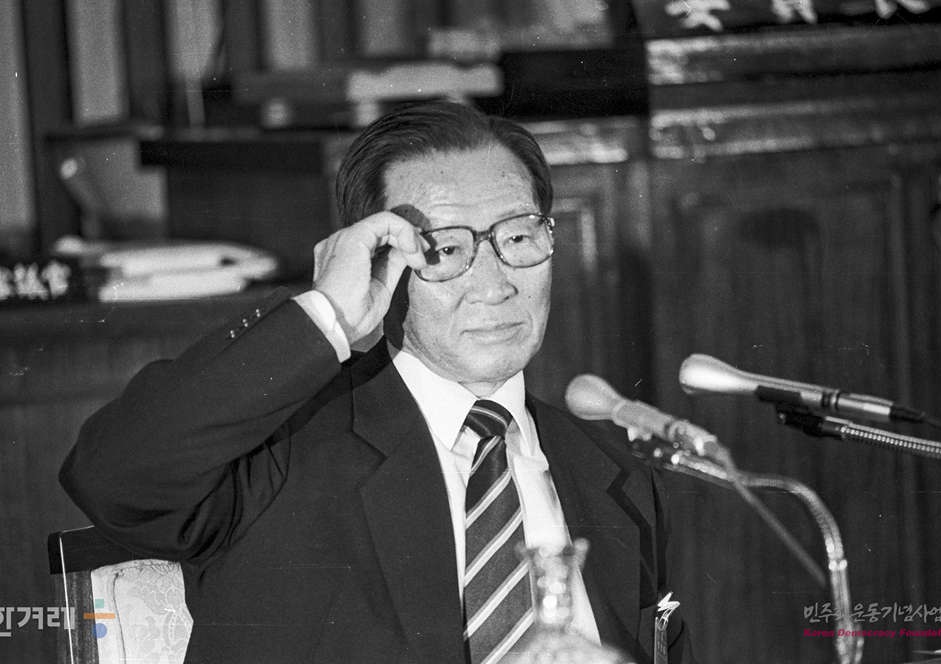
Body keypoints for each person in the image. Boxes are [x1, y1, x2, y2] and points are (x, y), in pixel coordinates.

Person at [60, 101, 693, 663]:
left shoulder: (617, 479)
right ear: (379, 262)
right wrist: (324, 316)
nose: (495, 284)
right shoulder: (281, 451)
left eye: (519, 236)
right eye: (446, 250)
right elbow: (112, 477)